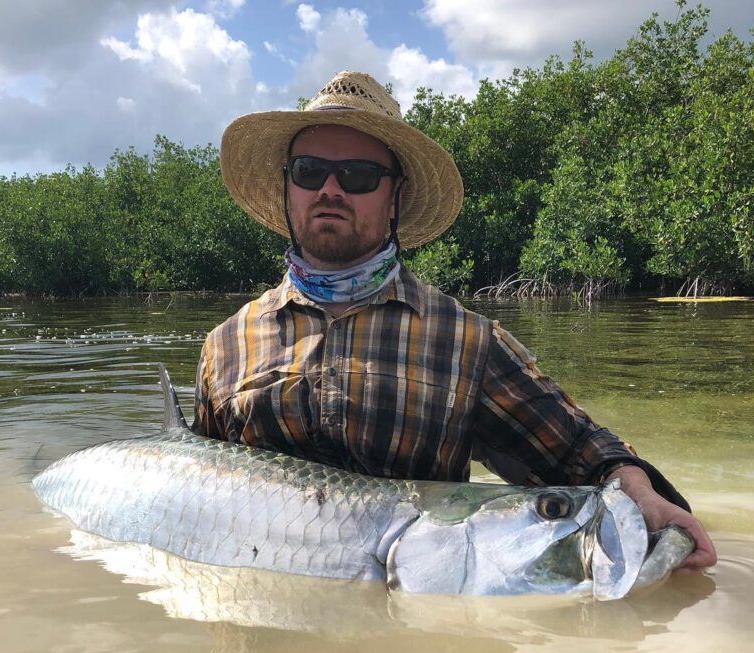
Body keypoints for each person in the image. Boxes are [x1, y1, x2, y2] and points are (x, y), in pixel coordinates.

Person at [192, 70, 715, 570]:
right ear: (289, 188)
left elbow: (578, 449)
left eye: (358, 175)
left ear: (394, 197)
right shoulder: (225, 345)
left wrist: (642, 496)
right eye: (310, 171)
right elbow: (194, 491)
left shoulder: (467, 341)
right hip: (255, 631)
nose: (331, 189)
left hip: (407, 624)